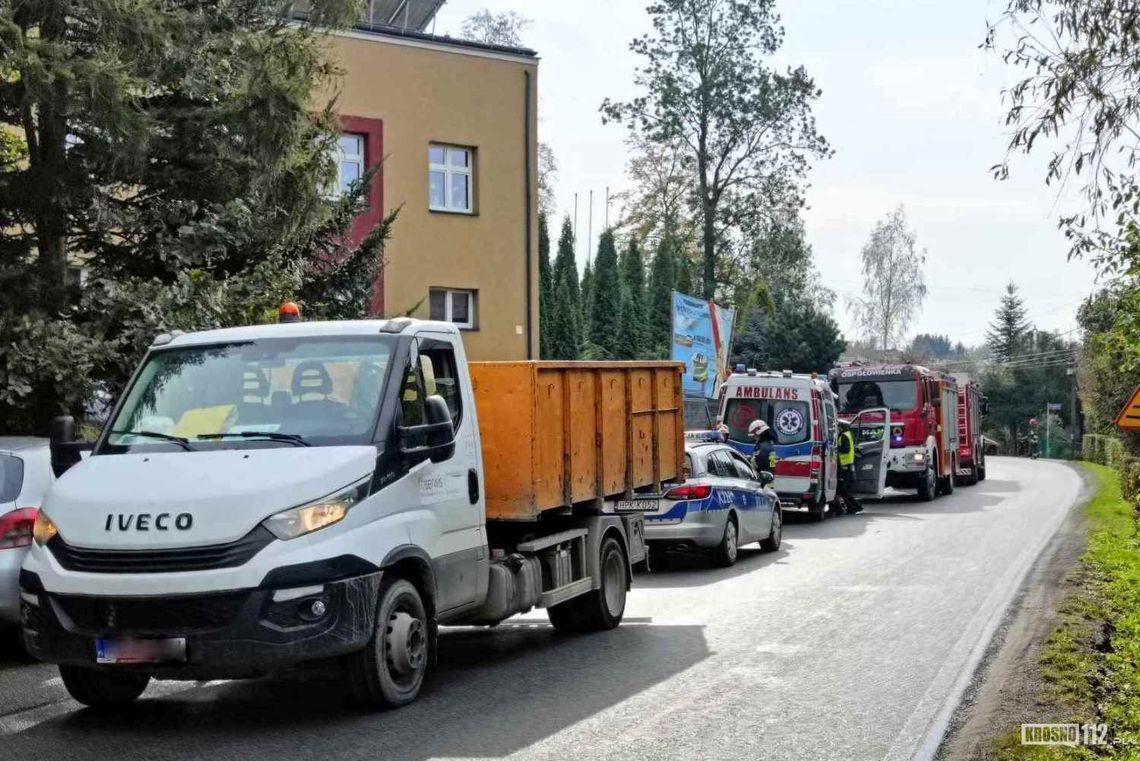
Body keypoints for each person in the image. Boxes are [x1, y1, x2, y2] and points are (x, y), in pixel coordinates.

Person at [837, 420, 864, 514]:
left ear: (842, 428)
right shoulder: (847, 434)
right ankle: (851, 508)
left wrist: (836, 447)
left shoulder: (844, 436)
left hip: (845, 466)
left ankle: (855, 507)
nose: (837, 429)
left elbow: (846, 449)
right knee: (843, 490)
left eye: (838, 427)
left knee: (843, 490)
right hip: (847, 466)